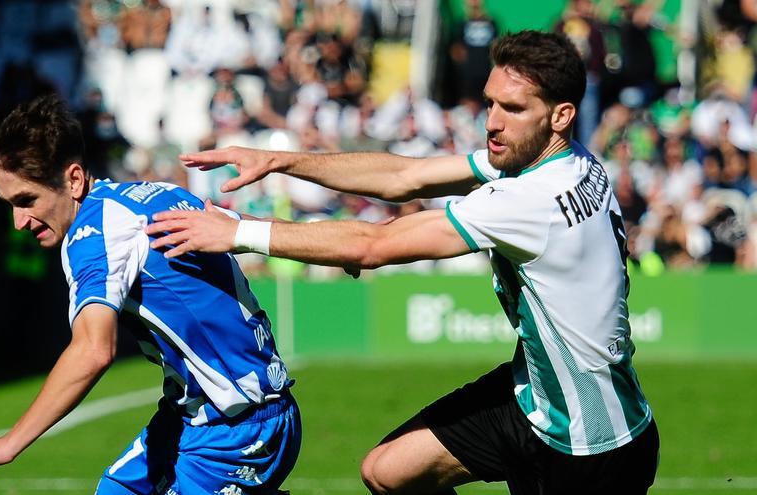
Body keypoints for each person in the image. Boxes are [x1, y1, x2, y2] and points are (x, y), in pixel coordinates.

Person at [146, 31, 659, 494]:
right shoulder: (562, 160)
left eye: (513, 108)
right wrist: (282, 160)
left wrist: (239, 232)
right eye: (489, 104)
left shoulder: (531, 200)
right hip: (536, 400)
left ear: (561, 115)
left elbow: (372, 245)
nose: (493, 123)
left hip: (592, 446)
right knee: (388, 471)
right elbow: (404, 179)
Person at [0, 95, 301, 495]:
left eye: (27, 201)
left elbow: (93, 350)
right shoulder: (154, 193)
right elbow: (249, 227)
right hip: (192, 418)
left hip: (238, 431)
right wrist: (332, 246)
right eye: (9, 205)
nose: (19, 222)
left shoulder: (92, 234)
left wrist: (9, 443)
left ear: (74, 180)